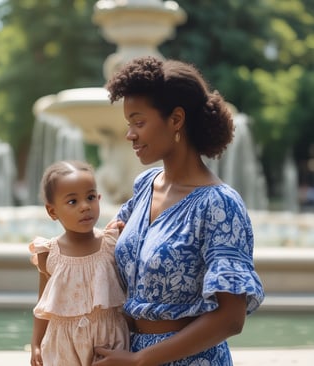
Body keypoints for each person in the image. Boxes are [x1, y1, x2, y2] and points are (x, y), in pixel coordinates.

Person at [93, 56, 265, 365]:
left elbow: (230, 319)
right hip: (130, 353)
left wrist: (142, 359)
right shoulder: (145, 186)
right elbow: (105, 244)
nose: (130, 134)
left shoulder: (219, 205)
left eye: (139, 122)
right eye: (128, 124)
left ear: (176, 119)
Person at [29, 160, 129, 366]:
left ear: (99, 199)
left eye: (91, 197)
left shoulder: (112, 243)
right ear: (52, 211)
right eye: (73, 202)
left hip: (109, 342)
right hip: (63, 345)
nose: (85, 206)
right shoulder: (48, 253)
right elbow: (43, 305)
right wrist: (36, 344)